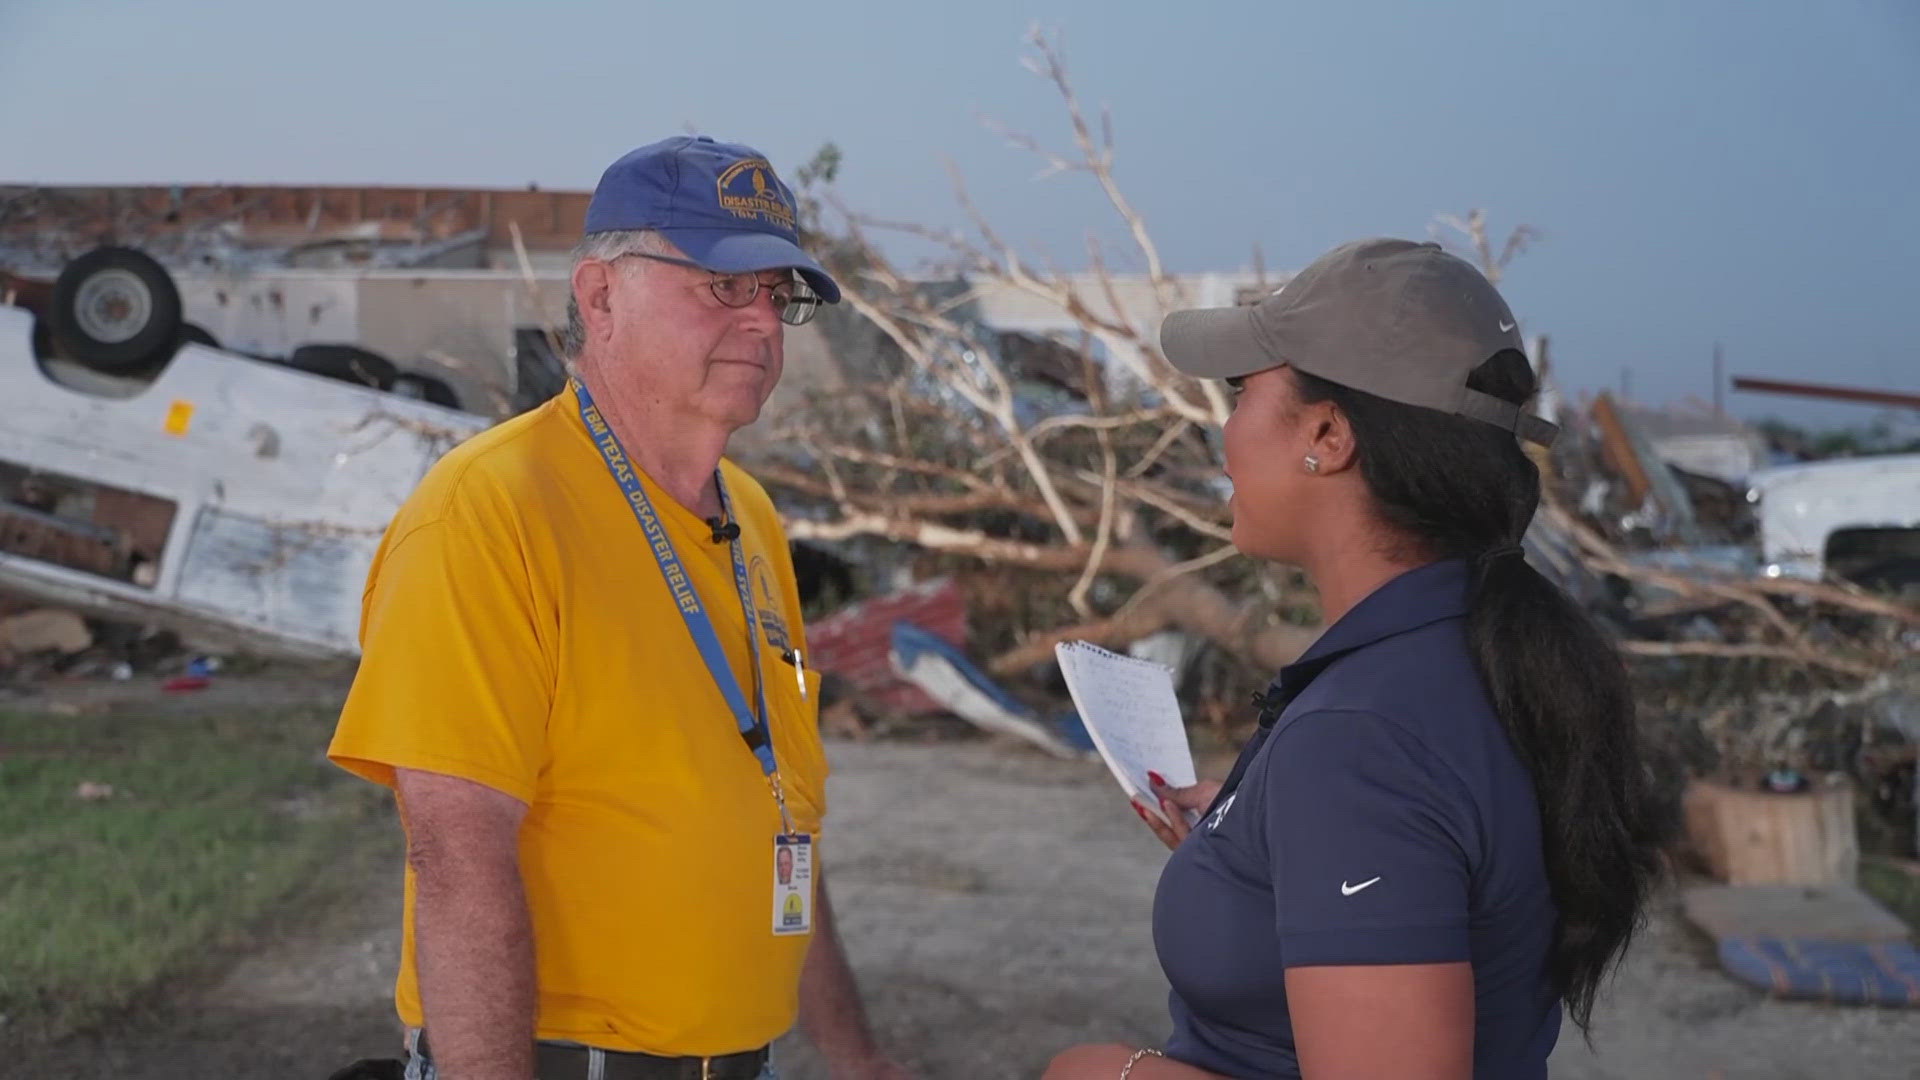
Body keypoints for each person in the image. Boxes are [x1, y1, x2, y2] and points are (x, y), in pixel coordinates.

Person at [328, 136, 908, 1080]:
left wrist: (857, 1057)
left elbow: (775, 808)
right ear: (599, 295)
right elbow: (457, 857)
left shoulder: (752, 517)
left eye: (779, 294)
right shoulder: (491, 507)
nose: (764, 324)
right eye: (724, 285)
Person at [1046, 239, 1663, 1080]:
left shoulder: (1361, 740)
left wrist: (1102, 1074)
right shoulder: (1471, 661)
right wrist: (1254, 848)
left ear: (1329, 434)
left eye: (1242, 393)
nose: (1225, 432)